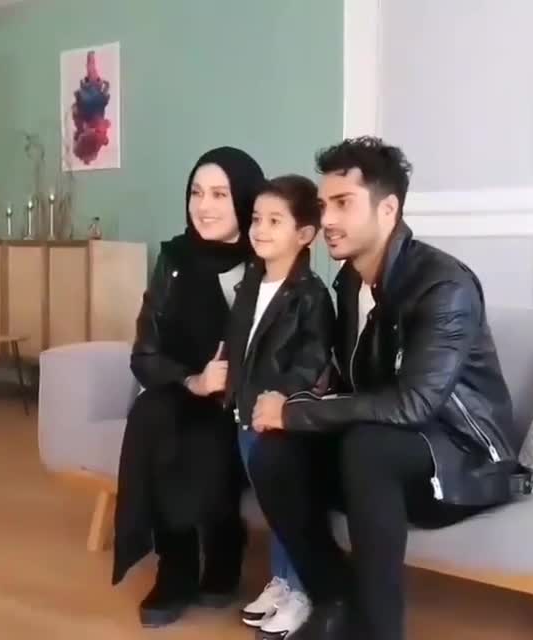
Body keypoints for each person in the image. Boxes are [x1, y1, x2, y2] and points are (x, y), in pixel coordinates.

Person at [247, 137, 533, 640]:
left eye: (343, 203)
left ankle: (379, 630)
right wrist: (290, 407)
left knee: (367, 447)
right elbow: (351, 383)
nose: (328, 219)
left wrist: (293, 412)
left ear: (388, 209)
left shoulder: (442, 285)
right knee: (273, 453)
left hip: (468, 461)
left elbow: (414, 403)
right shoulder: (349, 283)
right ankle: (335, 599)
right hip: (384, 450)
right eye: (323, 205)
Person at [112, 146, 265, 628]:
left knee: (210, 431)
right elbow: (145, 353)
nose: (204, 206)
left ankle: (224, 547)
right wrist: (191, 380)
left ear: (244, 199)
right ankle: (174, 566)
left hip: (240, 399)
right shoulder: (174, 259)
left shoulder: (266, 259)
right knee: (152, 415)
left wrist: (229, 381)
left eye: (219, 194)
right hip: (181, 388)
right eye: (197, 193)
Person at [224, 175, 335, 639]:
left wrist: (280, 402)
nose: (260, 229)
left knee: (288, 506)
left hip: (278, 423)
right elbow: (239, 345)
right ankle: (281, 582)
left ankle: (301, 591)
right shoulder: (250, 284)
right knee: (271, 508)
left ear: (305, 234)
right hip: (243, 414)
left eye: (274, 221)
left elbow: (311, 362)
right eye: (256, 219)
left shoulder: (312, 296)